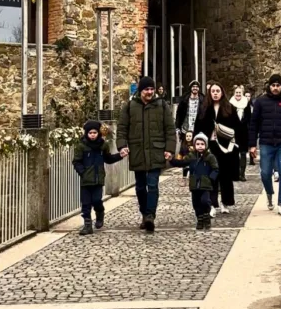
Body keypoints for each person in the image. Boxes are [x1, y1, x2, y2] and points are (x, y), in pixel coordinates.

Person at [116, 75, 176, 233]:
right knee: (140, 187)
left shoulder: (162, 106)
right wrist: (122, 145)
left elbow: (170, 130)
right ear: (141, 91)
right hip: (138, 151)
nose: (150, 92)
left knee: (153, 184)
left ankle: (150, 215)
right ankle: (144, 213)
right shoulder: (130, 107)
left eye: (151, 89)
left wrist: (169, 149)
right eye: (146, 89)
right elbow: (122, 128)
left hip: (156, 150)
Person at [248, 74, 281, 214]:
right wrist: (252, 144)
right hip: (266, 142)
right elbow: (253, 123)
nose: (275, 88)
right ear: (269, 86)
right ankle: (269, 193)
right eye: (273, 85)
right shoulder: (260, 102)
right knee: (265, 173)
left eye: (278, 85)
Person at [72, 120, 122, 235]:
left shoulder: (103, 146)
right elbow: (76, 161)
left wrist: (120, 155)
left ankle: (100, 214)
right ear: (86, 133)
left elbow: (108, 159)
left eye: (94, 132)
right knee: (85, 203)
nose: (92, 135)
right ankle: (87, 225)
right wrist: (83, 172)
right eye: (90, 133)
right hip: (86, 180)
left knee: (96, 200)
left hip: (98, 179)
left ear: (98, 133)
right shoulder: (81, 146)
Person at [197, 82, 240, 214]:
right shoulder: (204, 109)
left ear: (222, 93)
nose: (215, 93)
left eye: (218, 91)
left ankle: (225, 202)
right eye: (213, 91)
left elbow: (238, 127)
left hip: (226, 148)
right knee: (211, 176)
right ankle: (212, 203)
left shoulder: (230, 108)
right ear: (210, 93)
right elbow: (197, 127)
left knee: (225, 176)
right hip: (210, 147)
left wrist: (239, 145)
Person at [183, 131, 218, 230]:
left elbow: (215, 168)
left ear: (206, 145)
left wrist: (211, 178)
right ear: (194, 145)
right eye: (198, 144)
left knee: (205, 201)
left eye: (202, 144)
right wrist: (172, 160)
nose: (200, 146)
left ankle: (206, 217)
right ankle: (200, 219)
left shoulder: (210, 156)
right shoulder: (192, 156)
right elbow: (183, 162)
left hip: (205, 185)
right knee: (196, 204)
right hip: (194, 185)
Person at [229, 84, 252, 181]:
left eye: (239, 92)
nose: (238, 94)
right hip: (233, 132)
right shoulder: (230, 103)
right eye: (236, 92)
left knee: (243, 153)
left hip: (243, 132)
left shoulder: (246, 103)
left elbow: (249, 117)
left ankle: (242, 174)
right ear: (234, 93)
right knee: (234, 153)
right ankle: (235, 173)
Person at [175, 80, 203, 154]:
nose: (195, 88)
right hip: (185, 128)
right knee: (184, 149)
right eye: (193, 86)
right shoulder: (184, 99)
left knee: (197, 149)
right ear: (190, 88)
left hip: (197, 129)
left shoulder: (202, 99)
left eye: (197, 87)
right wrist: (177, 126)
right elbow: (179, 114)